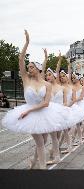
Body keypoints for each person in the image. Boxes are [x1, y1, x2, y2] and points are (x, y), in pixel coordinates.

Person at [1, 30, 68, 169]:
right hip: (30, 114)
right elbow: (20, 59)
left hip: (42, 112)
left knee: (43, 140)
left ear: (38, 69)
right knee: (40, 143)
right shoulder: (26, 80)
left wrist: (30, 110)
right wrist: (27, 43)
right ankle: (42, 169)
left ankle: (33, 163)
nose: (28, 68)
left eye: (31, 67)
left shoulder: (47, 84)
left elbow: (46, 103)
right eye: (28, 67)